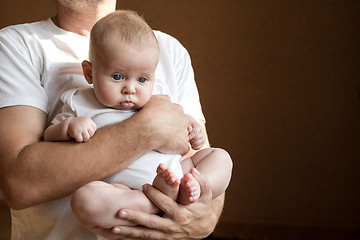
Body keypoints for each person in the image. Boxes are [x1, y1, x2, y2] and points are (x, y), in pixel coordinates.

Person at [0, 0, 225, 239]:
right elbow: (18, 184)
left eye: (142, 80)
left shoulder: (170, 49)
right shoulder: (17, 45)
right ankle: (150, 202)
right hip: (114, 197)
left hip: (168, 181)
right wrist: (149, 128)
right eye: (117, 76)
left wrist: (207, 216)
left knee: (220, 159)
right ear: (89, 72)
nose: (129, 88)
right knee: (88, 199)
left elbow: (197, 155)